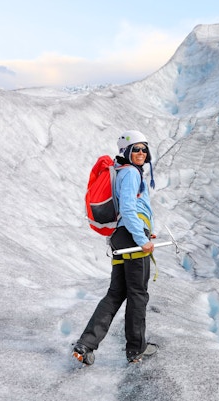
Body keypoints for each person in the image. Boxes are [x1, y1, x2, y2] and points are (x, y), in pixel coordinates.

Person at [73, 130, 159, 365]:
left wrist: (142, 230)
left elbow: (125, 211)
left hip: (120, 237)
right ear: (126, 152)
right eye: (136, 149)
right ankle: (136, 350)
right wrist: (142, 240)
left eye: (144, 149)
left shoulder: (120, 171)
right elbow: (130, 209)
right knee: (137, 294)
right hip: (132, 240)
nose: (141, 153)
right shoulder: (131, 173)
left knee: (116, 293)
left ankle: (86, 345)